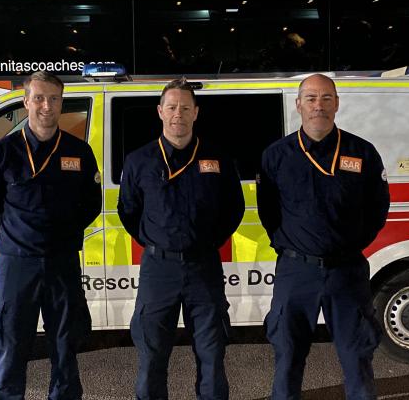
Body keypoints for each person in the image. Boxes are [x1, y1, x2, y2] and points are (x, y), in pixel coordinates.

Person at [256, 74, 390, 400]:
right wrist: (294, 247)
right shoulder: (276, 155)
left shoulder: (363, 152)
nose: (319, 106)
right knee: (287, 355)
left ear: (337, 104)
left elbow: (377, 208)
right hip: (295, 272)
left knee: (357, 354)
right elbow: (268, 212)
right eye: (312, 99)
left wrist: (349, 244)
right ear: (299, 105)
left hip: (347, 271)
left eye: (327, 98)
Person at [0, 71, 102, 400]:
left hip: (62, 264)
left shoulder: (79, 152)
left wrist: (65, 236)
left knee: (66, 344)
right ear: (27, 101)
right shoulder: (1, 153)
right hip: (17, 266)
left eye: (54, 99)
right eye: (40, 98)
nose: (47, 105)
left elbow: (91, 205)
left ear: (62, 103)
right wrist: (10, 242)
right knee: (11, 345)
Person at [117, 78, 245, 400]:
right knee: (152, 355)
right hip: (158, 270)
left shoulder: (217, 158)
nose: (178, 114)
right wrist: (156, 241)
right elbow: (129, 211)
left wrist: (205, 242)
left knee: (212, 354)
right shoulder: (138, 161)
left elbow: (234, 208)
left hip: (204, 267)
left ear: (196, 112)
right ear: (160, 111)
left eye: (185, 108)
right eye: (172, 107)